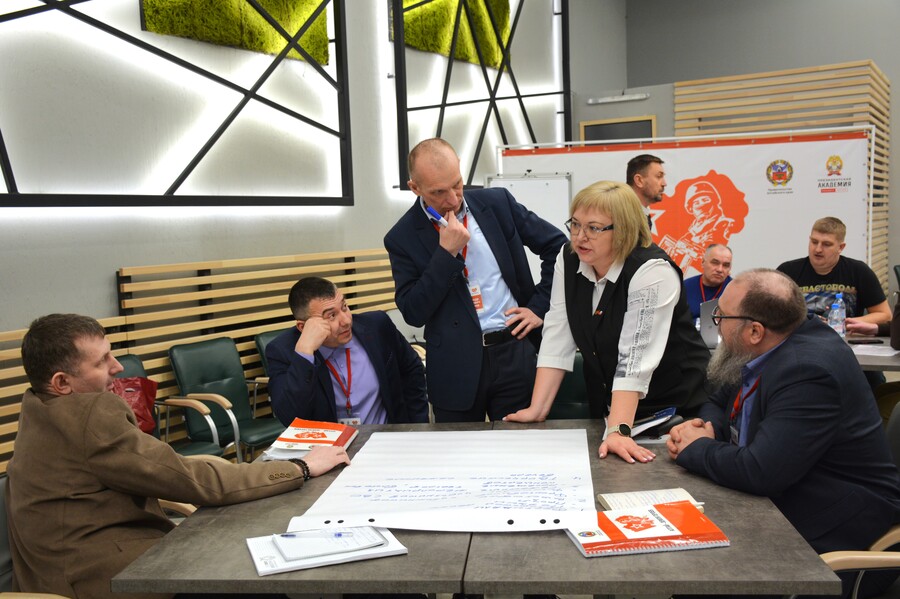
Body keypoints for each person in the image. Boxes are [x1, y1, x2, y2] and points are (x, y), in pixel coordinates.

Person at [6, 313, 351, 599]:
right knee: (260, 582)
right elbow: (191, 480)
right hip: (102, 577)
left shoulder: (38, 407)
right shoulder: (90, 414)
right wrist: (300, 466)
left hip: (52, 574)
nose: (117, 367)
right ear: (62, 382)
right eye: (101, 362)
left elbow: (159, 468)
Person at [666, 270, 900, 599]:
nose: (716, 323)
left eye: (721, 316)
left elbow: (761, 471)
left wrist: (697, 447)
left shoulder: (807, 371)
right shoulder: (774, 343)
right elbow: (718, 399)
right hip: (785, 497)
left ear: (755, 331)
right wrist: (708, 427)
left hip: (836, 526)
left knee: (694, 572)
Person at [505, 181, 710, 464]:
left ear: (623, 230)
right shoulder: (569, 258)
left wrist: (618, 430)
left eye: (594, 228)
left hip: (675, 409)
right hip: (616, 411)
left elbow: (634, 360)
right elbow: (558, 333)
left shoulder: (652, 271)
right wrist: (537, 409)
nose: (580, 237)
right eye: (575, 224)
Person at [383, 138, 567, 423]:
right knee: (459, 449)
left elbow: (558, 247)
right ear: (415, 188)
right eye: (438, 192)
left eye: (457, 184)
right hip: (454, 364)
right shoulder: (402, 237)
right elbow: (413, 312)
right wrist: (446, 255)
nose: (453, 199)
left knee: (522, 444)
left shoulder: (498, 203)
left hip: (513, 348)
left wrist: (539, 306)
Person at [266, 277, 429, 426]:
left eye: (344, 307)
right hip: (330, 446)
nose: (346, 321)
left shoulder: (376, 327)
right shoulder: (283, 351)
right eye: (331, 316)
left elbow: (412, 369)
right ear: (303, 327)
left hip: (386, 439)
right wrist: (305, 353)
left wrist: (416, 427)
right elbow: (289, 417)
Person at [777, 216, 891, 324]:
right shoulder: (787, 271)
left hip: (844, 335)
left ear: (840, 247)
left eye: (826, 244)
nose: (818, 249)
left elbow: (885, 315)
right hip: (800, 335)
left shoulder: (859, 271)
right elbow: (772, 314)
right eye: (814, 242)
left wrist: (843, 323)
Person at [682, 244, 733, 320]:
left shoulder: (735, 291)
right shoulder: (685, 287)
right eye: (715, 263)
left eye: (726, 265)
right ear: (703, 262)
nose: (720, 269)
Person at [626, 154, 666, 230]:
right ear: (639, 180)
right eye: (659, 176)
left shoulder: (640, 215)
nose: (664, 183)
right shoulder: (624, 217)